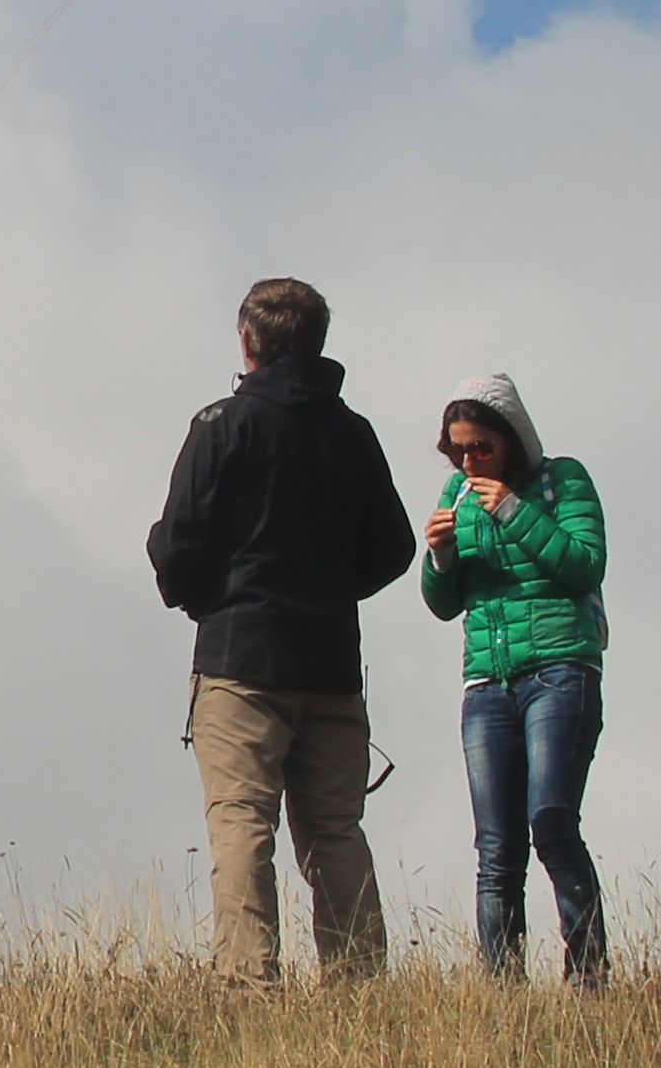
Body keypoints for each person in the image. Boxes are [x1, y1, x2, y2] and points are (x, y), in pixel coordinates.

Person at [145, 278, 416, 984]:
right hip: (329, 664)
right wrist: (326, 590)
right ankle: (360, 987)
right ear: (319, 341)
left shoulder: (221, 424)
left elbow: (176, 544)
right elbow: (395, 548)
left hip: (240, 662)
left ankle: (248, 982)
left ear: (248, 341)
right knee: (335, 832)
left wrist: (211, 598)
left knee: (241, 823)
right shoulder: (353, 433)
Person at [420, 375, 610, 984]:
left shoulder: (564, 479)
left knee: (552, 821)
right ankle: (501, 993)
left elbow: (584, 565)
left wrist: (512, 509)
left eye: (481, 448)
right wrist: (441, 559)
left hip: (560, 670)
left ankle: (588, 978)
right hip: (486, 686)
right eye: (458, 451)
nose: (468, 462)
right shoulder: (457, 493)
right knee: (496, 849)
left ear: (512, 440)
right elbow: (445, 604)